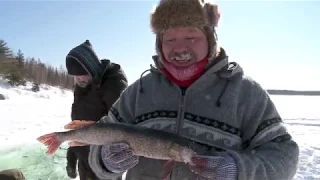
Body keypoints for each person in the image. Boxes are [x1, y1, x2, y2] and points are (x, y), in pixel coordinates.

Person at [88, 0, 300, 180]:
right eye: (169, 39)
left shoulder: (245, 93)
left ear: (210, 39)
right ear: (159, 44)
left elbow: (285, 156)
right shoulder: (138, 92)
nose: (179, 48)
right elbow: (99, 137)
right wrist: (104, 161)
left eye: (191, 37)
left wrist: (238, 170)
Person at [65, 40, 128, 180]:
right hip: (84, 159)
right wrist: (73, 151)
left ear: (92, 67)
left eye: (83, 73)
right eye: (75, 75)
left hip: (104, 163)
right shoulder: (82, 86)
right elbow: (78, 120)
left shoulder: (113, 82)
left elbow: (121, 127)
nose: (79, 78)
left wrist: (108, 162)